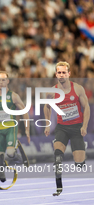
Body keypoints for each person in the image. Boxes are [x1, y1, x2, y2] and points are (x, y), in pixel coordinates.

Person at [44, 61, 90, 196]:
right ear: (56, 74)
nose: (62, 75)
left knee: (79, 164)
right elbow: (46, 107)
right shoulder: (51, 93)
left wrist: (84, 126)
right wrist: (47, 124)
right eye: (59, 72)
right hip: (62, 128)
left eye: (64, 72)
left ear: (69, 74)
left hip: (76, 128)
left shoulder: (78, 89)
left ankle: (82, 151)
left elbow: (86, 107)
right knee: (57, 156)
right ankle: (59, 187)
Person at [0, 71, 31, 183]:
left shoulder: (14, 96)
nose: (1, 82)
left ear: (7, 81)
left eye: (3, 80)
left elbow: (25, 112)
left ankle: (17, 152)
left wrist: (27, 129)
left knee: (10, 154)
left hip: (11, 128)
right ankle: (2, 176)